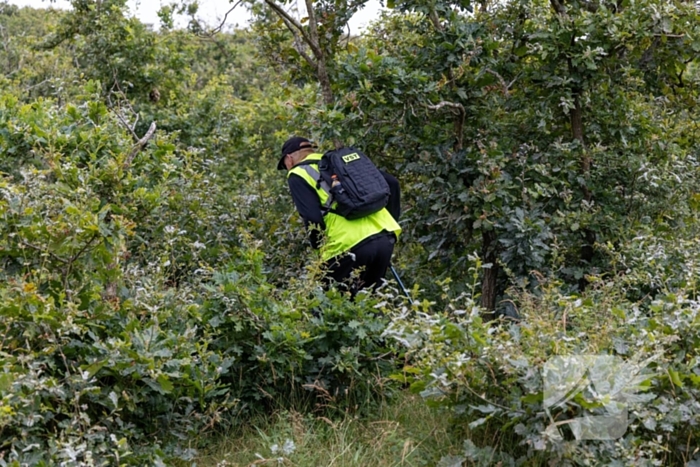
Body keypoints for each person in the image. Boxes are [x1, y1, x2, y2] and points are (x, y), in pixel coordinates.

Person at [278, 136, 402, 296]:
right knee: (369, 306)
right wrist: (388, 223)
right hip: (385, 237)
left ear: (289, 158)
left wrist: (319, 249)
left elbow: (312, 218)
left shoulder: (298, 173)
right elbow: (392, 183)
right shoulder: (338, 162)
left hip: (346, 246)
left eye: (284, 165)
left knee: (330, 308)